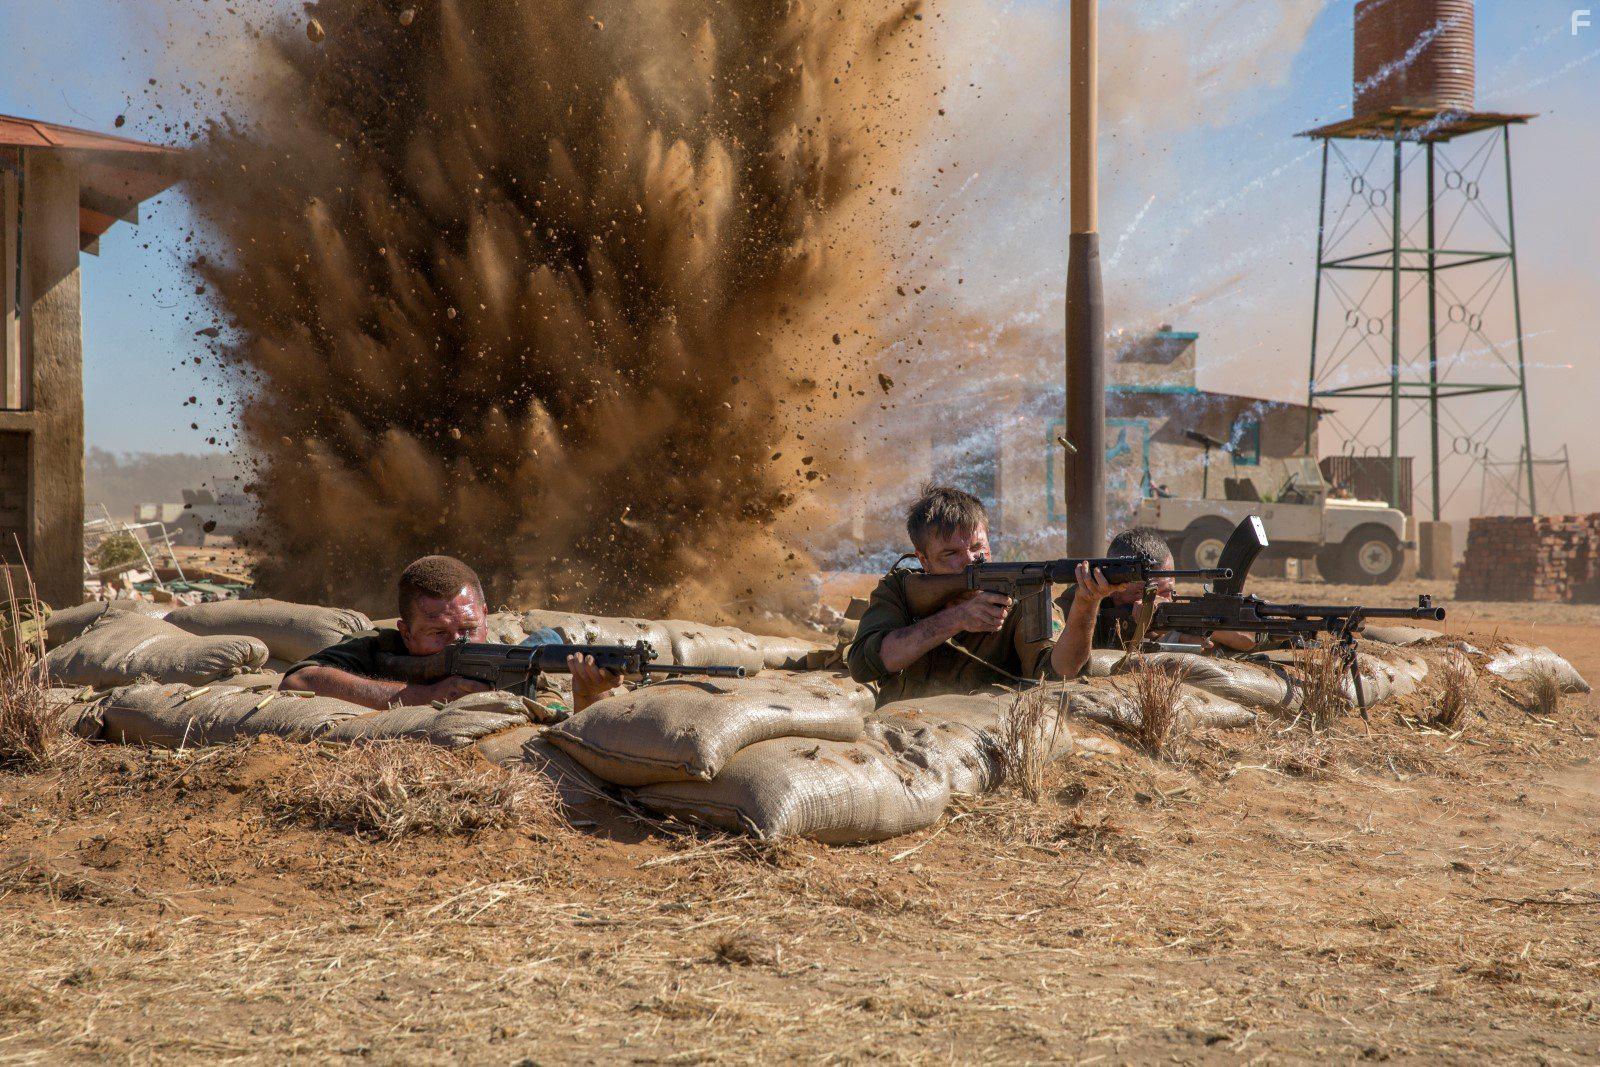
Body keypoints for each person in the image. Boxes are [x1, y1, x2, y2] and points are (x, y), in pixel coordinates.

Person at [282, 555, 622, 713]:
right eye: (437, 633)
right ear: (407, 632)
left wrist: (590, 696)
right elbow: (298, 681)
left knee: (543, 645)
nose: (458, 642)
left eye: (468, 629)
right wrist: (423, 695)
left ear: (485, 616)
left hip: (519, 656)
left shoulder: (512, 666)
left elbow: (564, 729)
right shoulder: (379, 646)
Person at [847, 486, 1079, 705]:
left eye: (978, 547)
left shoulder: (1024, 591)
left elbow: (1054, 677)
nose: (970, 560)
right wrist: (955, 619)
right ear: (923, 560)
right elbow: (862, 666)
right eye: (951, 553)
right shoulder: (900, 590)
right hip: (900, 729)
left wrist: (1086, 605)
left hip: (982, 733)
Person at [1054, 526, 1255, 675]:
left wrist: (1198, 624)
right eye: (1143, 593)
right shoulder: (1074, 606)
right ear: (1113, 590)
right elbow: (1064, 669)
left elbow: (1249, 639)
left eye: (1166, 591)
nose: (1157, 601)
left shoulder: (1176, 611)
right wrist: (1086, 606)